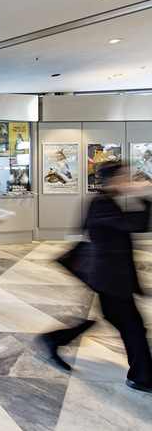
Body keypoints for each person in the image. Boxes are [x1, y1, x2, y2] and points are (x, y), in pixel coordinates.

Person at [37, 163, 152, 393]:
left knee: (121, 322)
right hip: (109, 277)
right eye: (123, 177)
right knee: (132, 327)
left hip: (111, 277)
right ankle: (141, 376)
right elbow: (134, 224)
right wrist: (143, 196)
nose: (127, 180)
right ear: (111, 179)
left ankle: (54, 339)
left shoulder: (105, 202)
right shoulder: (101, 203)